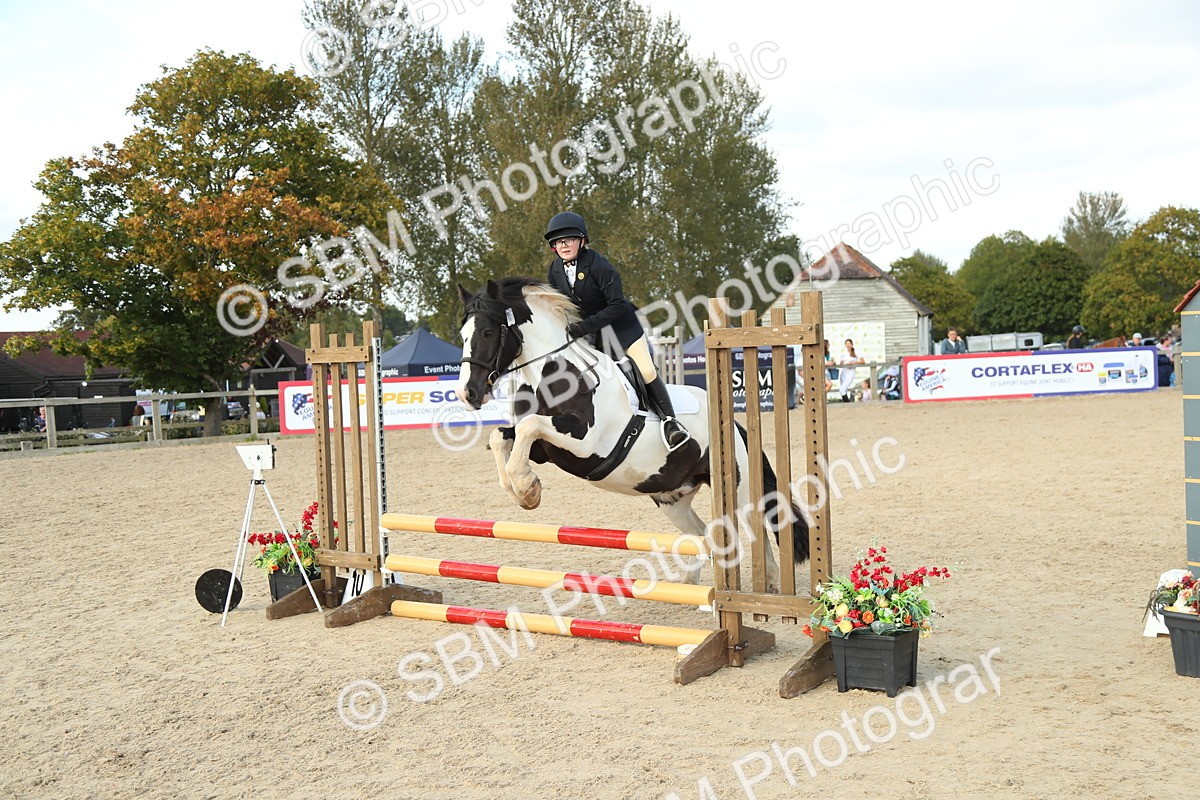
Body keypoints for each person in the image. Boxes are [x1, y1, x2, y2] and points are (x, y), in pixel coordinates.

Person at [544, 211, 688, 449]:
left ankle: (671, 423)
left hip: (622, 329)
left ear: (581, 241)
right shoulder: (555, 270)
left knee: (646, 370)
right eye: (559, 241)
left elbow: (618, 305)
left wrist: (584, 326)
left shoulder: (599, 265)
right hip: (591, 335)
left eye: (569, 239)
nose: (564, 244)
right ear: (554, 247)